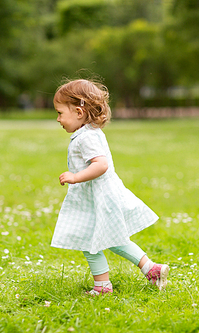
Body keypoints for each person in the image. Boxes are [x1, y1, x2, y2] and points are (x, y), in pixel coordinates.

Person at [51, 79, 169, 295]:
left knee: (89, 239)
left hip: (97, 197)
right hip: (98, 196)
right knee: (114, 239)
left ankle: (103, 287)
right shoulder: (89, 133)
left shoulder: (86, 137)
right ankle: (152, 269)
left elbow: (101, 165)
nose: (58, 118)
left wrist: (76, 177)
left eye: (59, 113)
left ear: (78, 112)